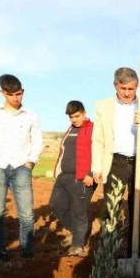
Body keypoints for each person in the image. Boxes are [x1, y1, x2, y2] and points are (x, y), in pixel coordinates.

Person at [91, 67, 140, 257]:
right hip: (115, 161)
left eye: (131, 88)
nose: (128, 93)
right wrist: (96, 166)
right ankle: (108, 254)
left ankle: (133, 253)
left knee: (138, 209)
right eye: (123, 89)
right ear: (115, 86)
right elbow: (98, 139)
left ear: (136, 86)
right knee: (111, 209)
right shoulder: (103, 106)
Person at [0, 74, 43, 261]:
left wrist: (32, 161)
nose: (16, 98)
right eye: (11, 94)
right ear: (2, 93)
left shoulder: (31, 116)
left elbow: (37, 140)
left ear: (23, 92)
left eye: (19, 94)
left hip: (21, 166)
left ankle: (27, 249)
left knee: (27, 213)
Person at [49, 100, 96, 257]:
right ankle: (75, 232)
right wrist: (57, 170)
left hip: (82, 177)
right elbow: (63, 152)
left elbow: (98, 152)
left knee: (78, 211)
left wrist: (91, 172)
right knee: (56, 205)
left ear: (84, 113)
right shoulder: (70, 129)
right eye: (71, 117)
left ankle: (77, 245)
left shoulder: (92, 129)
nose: (74, 119)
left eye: (77, 116)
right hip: (64, 176)